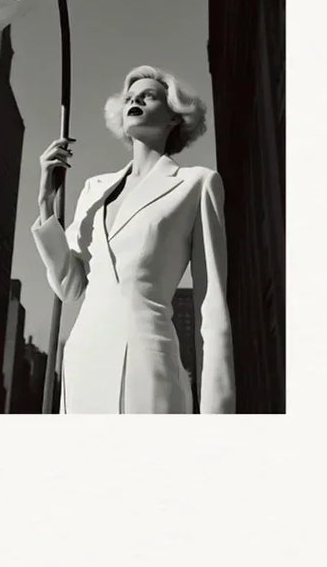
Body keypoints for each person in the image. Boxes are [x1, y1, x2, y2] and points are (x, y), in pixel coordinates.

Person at [33, 66, 236, 414]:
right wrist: (45, 206)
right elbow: (70, 288)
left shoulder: (197, 184)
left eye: (148, 95)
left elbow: (212, 308)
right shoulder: (95, 189)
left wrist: (218, 416)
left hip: (147, 365)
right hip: (83, 363)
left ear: (175, 116)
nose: (135, 100)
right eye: (129, 98)